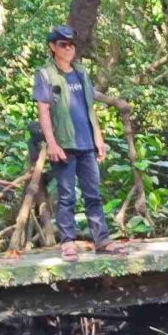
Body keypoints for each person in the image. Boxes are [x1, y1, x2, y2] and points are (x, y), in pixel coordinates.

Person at [35, 25, 117, 255]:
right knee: (67, 194)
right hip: (63, 144)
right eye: (63, 44)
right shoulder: (45, 75)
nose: (68, 48)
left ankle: (101, 239)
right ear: (53, 47)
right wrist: (51, 143)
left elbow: (90, 107)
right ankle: (68, 242)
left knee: (93, 194)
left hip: (87, 143)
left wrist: (98, 138)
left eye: (71, 44)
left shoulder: (81, 72)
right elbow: (43, 111)